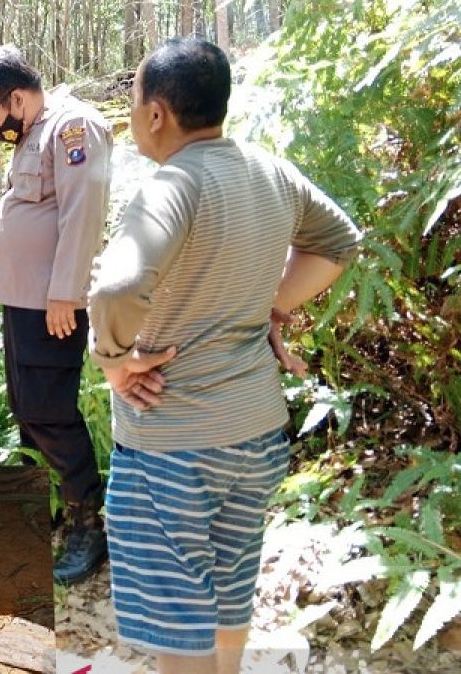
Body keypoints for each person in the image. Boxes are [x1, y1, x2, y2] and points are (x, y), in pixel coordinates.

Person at [88, 39, 361, 674]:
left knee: (179, 611)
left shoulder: (172, 186)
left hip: (173, 441)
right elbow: (339, 242)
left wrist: (113, 360)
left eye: (132, 102)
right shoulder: (268, 171)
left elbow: (117, 285)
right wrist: (270, 304)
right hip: (256, 431)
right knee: (230, 582)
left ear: (156, 113)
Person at [0, 45, 113, 585]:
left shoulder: (73, 127)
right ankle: (50, 508)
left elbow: (82, 213)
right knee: (29, 409)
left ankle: (87, 526)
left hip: (53, 305)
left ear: (19, 98)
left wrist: (64, 293)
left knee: (50, 412)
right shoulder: (32, 133)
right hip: (23, 299)